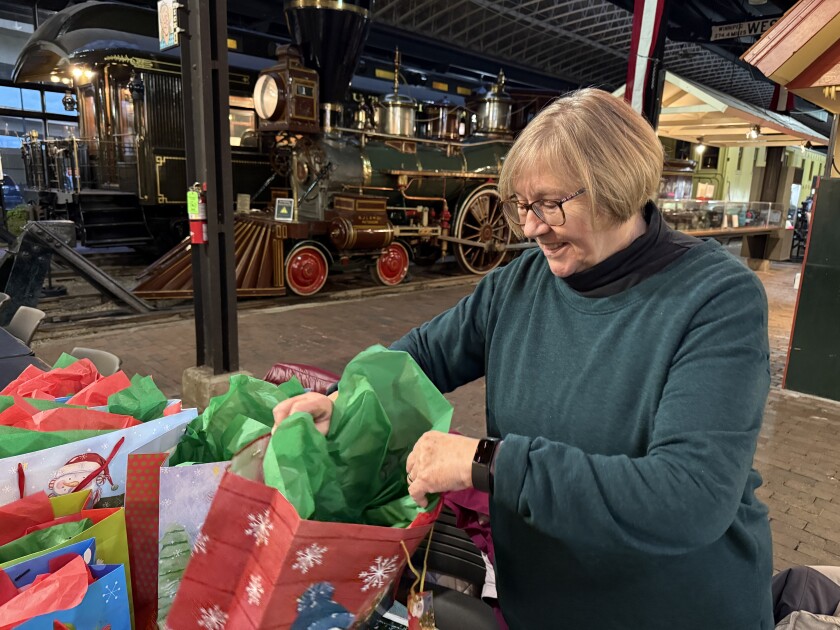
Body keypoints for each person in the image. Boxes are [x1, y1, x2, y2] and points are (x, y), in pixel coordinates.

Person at [273, 88, 773, 628]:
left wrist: (487, 461)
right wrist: (343, 403)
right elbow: (420, 358)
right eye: (520, 206)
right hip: (543, 605)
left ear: (616, 188)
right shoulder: (517, 285)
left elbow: (689, 497)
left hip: (675, 610)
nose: (532, 227)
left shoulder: (718, 299)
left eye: (550, 204)